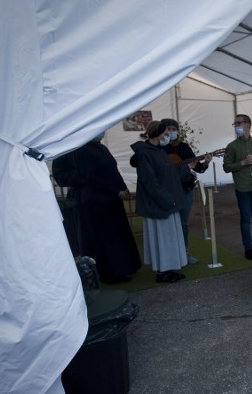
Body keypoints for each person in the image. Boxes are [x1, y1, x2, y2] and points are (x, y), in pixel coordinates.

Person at [52, 133, 141, 283]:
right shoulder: (77, 150)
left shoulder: (100, 148)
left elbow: (113, 170)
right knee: (103, 239)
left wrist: (123, 188)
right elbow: (91, 177)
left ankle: (123, 268)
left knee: (116, 236)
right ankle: (110, 273)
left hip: (109, 199)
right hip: (94, 201)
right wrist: (115, 190)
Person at [130, 120, 190, 283]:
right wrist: (167, 200)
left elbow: (166, 171)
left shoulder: (157, 151)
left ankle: (168, 269)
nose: (167, 137)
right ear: (156, 134)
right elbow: (149, 182)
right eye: (165, 134)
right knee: (162, 240)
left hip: (167, 202)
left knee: (168, 238)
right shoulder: (145, 153)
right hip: (159, 204)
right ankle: (162, 272)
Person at [161, 118, 211, 264]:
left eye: (173, 129)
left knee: (183, 223)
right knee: (168, 223)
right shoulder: (159, 148)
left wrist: (206, 162)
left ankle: (184, 252)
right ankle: (169, 254)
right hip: (167, 191)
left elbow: (197, 167)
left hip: (185, 189)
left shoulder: (184, 147)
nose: (171, 132)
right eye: (168, 129)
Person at [223, 114, 252, 261]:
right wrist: (242, 163)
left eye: (239, 123)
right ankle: (248, 248)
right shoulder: (231, 147)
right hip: (243, 188)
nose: (237, 126)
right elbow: (226, 167)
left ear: (248, 124)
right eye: (235, 124)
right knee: (245, 219)